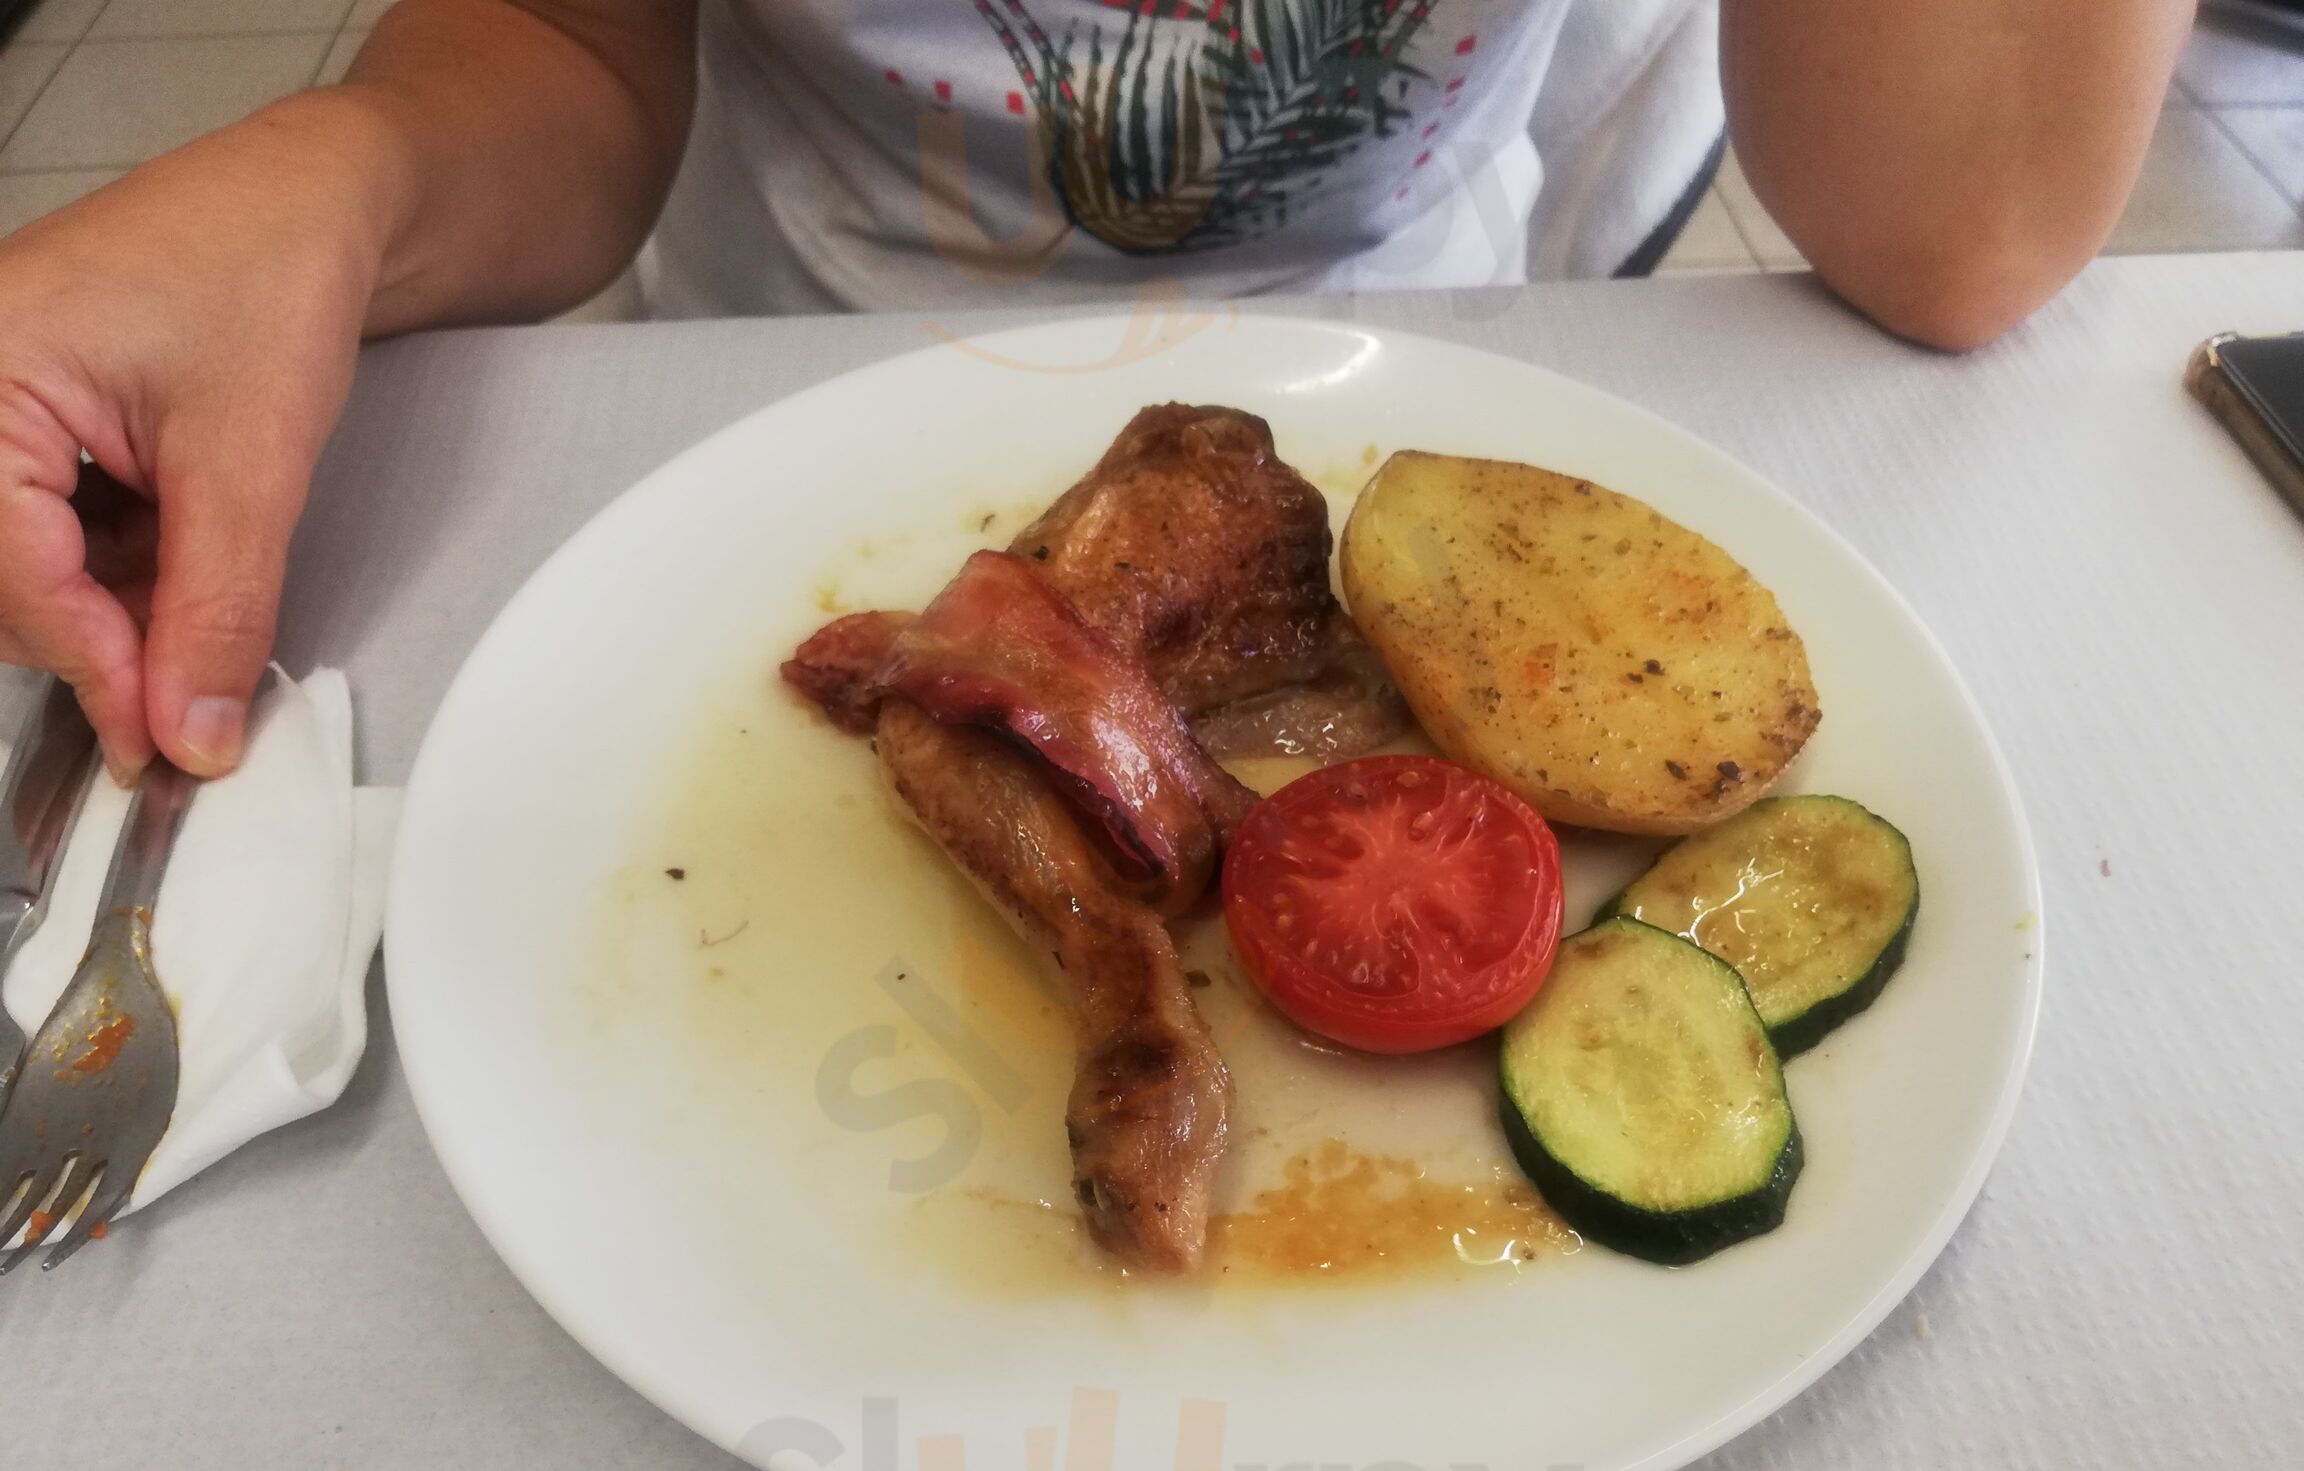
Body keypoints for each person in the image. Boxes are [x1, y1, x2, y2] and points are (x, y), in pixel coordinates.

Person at [0, 0, 2188, 781]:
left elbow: (1963, 220)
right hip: (769, 376)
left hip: (1430, 364)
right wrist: (343, 168)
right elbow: (567, 46)